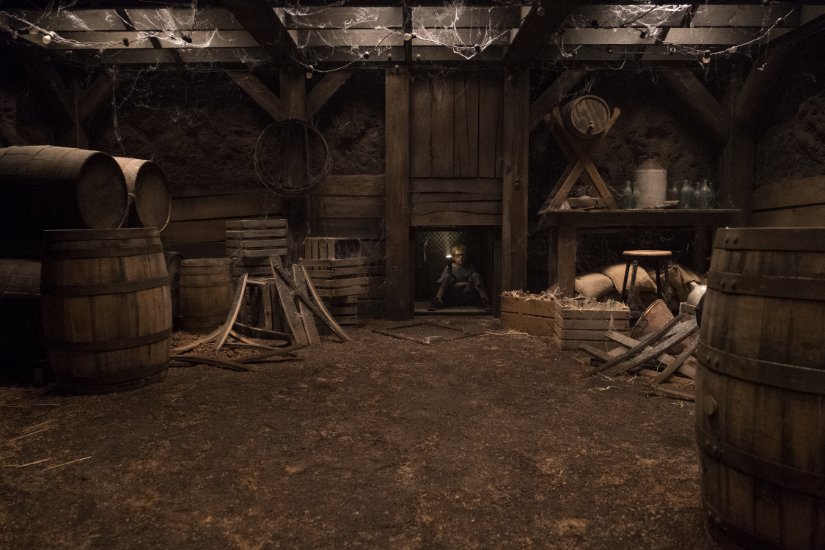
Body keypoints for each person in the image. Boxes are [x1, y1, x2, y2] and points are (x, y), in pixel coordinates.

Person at [429, 244, 490, 310]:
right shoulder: (450, 267)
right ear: (453, 257)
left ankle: (485, 300)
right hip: (453, 296)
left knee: (476, 275)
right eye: (458, 255)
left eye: (462, 255)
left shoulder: (470, 267)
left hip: (467, 296)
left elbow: (476, 281)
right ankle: (438, 300)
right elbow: (442, 282)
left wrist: (463, 284)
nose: (461, 257)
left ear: (466, 256)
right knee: (447, 276)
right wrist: (456, 284)